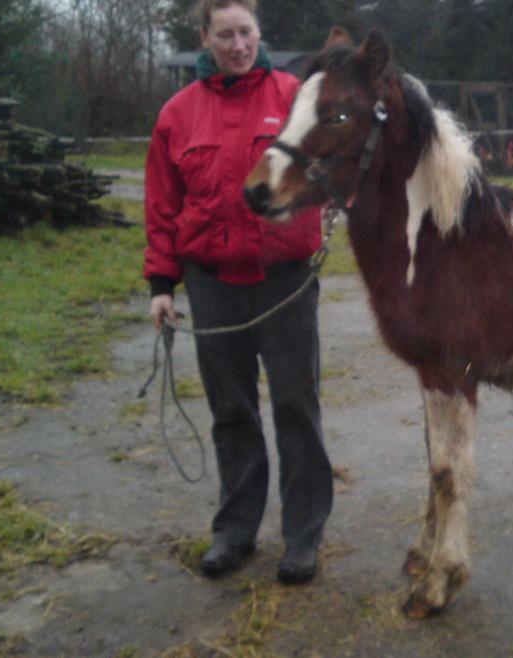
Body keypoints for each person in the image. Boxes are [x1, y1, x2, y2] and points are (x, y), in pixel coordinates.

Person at [143, 0, 331, 585]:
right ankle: (236, 531)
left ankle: (302, 537)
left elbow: (330, 162)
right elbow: (162, 205)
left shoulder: (295, 97)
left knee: (296, 407)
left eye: (245, 31)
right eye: (223, 34)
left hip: (285, 280)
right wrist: (161, 284)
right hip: (212, 282)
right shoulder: (178, 113)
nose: (237, 44)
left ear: (259, 33)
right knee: (232, 410)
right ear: (204, 38)